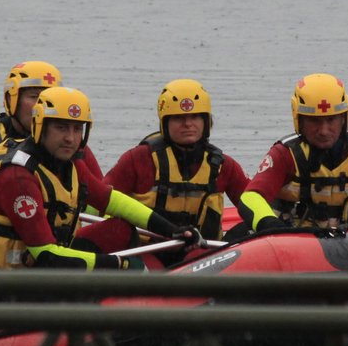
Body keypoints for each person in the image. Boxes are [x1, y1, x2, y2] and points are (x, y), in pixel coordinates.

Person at [0, 86, 197, 269]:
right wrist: (115, 264)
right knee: (118, 265)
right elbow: (46, 255)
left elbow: (111, 200)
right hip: (4, 279)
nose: (71, 139)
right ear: (40, 126)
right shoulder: (18, 179)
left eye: (76, 129)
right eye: (61, 128)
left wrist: (171, 229)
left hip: (43, 262)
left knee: (119, 229)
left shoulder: (66, 164)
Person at [74, 79, 255, 263]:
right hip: (148, 250)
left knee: (248, 230)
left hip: (201, 251)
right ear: (165, 123)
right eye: (178, 118)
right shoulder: (139, 159)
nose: (188, 124)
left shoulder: (224, 166)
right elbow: (99, 204)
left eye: (195, 117)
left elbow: (253, 202)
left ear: (206, 121)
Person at [240, 73, 348, 232]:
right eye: (314, 121)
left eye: (331, 120)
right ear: (299, 120)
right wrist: (270, 225)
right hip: (292, 245)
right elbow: (250, 197)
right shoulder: (285, 155)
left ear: (343, 119)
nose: (323, 131)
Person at [0, 60, 103, 181]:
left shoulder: (69, 144)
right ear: (11, 99)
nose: (41, 107)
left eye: (50, 99)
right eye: (35, 97)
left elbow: (99, 194)